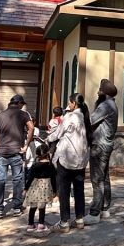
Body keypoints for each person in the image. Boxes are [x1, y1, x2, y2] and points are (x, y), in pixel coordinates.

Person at [47, 93, 91, 233]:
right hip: (81, 159)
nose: (69, 105)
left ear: (73, 103)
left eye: (69, 102)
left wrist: (48, 138)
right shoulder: (85, 117)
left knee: (64, 189)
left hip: (67, 158)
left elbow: (57, 133)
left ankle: (64, 222)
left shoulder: (70, 116)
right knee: (79, 189)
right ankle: (79, 219)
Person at [0, 95, 34, 219]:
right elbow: (31, 128)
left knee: (0, 180)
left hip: (2, 153)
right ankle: (17, 208)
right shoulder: (24, 114)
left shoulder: (0, 115)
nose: (23, 106)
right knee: (17, 180)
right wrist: (26, 145)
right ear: (19, 103)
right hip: (17, 151)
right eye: (22, 104)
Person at [84, 79, 118, 224]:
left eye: (99, 91)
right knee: (104, 178)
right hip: (107, 145)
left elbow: (90, 121)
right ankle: (104, 208)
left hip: (99, 146)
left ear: (104, 93)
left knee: (97, 179)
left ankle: (95, 212)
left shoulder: (105, 106)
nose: (98, 94)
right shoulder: (112, 105)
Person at [22, 141, 56, 234]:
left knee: (33, 206)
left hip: (34, 187)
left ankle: (30, 224)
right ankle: (41, 224)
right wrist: (55, 191)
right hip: (45, 188)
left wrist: (25, 189)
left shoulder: (34, 166)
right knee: (42, 206)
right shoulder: (50, 166)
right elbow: (53, 179)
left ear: (37, 155)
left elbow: (29, 179)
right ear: (47, 153)